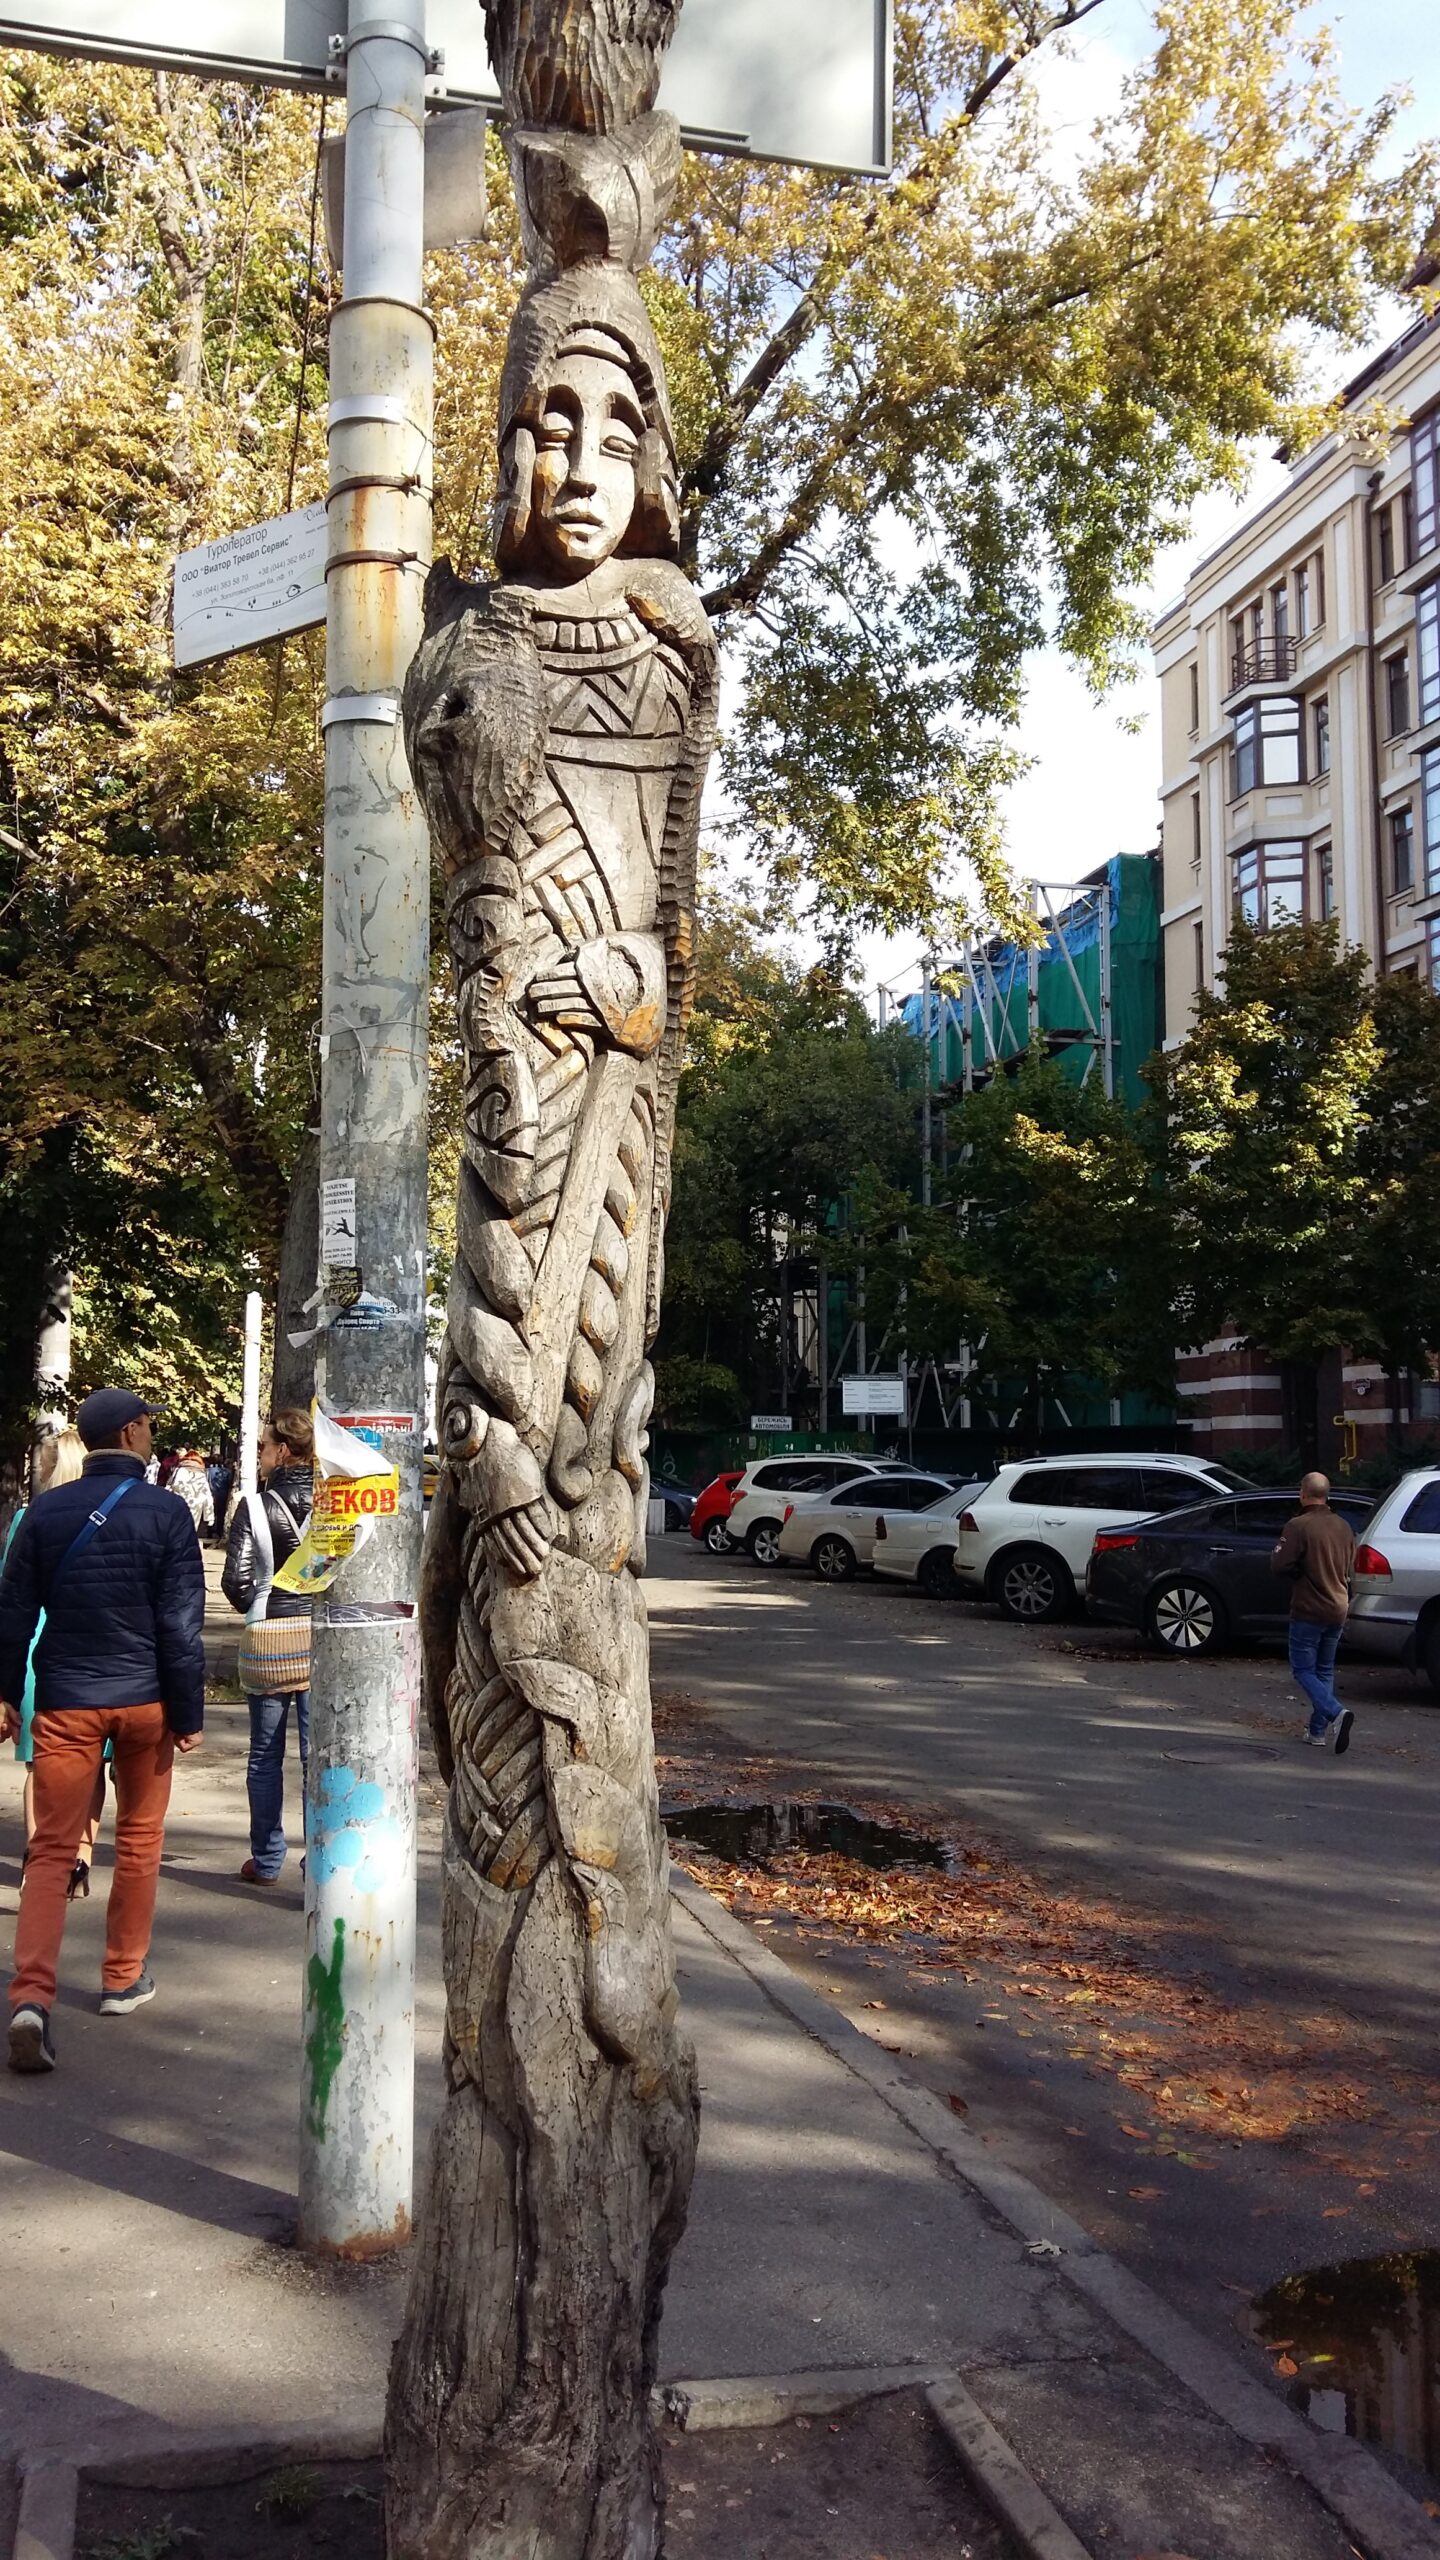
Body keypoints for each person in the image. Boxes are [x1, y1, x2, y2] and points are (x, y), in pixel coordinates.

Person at [1, 1387, 205, 2073]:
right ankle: (122, 1977)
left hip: (66, 1701)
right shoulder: (167, 1513)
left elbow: (13, 1614)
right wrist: (188, 1713)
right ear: (131, 1431)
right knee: (140, 1841)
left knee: (51, 1851)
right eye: (148, 1424)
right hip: (146, 1702)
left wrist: (7, 1695)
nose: (152, 1433)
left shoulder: (43, 1512)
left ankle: (31, 1998)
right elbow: (180, 1626)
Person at [3, 1428, 109, 1894]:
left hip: (34, 1651)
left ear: (51, 1468)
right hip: (93, 1652)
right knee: (94, 1764)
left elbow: (10, 1592)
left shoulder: (29, 1516)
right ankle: (80, 1858)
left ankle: (38, 1858)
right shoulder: (110, 1514)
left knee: (39, 1765)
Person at [222, 1409, 314, 1887]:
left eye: (263, 1446)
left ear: (282, 1451)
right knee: (317, 1755)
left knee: (264, 1755)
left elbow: (235, 1581)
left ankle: (266, 1859)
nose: (259, 1454)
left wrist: (261, 1602)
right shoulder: (331, 1505)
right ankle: (319, 1861)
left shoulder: (255, 1507)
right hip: (318, 1639)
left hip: (268, 1639)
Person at [1271, 1470, 1357, 1755]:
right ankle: (1317, 1731)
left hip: (1309, 1608)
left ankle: (1335, 1712)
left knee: (1303, 1669)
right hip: (1338, 1606)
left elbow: (1279, 1564)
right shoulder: (1343, 1526)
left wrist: (1295, 1570)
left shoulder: (1298, 1525)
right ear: (1326, 1495)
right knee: (1324, 1669)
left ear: (1303, 1494)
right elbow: (1350, 1566)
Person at [167, 1448, 215, 1539]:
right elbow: (207, 1494)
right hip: (196, 1506)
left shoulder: (179, 1470)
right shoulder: (201, 1474)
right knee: (190, 1531)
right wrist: (209, 1516)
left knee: (176, 1531)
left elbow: (170, 1486)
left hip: (178, 1504)